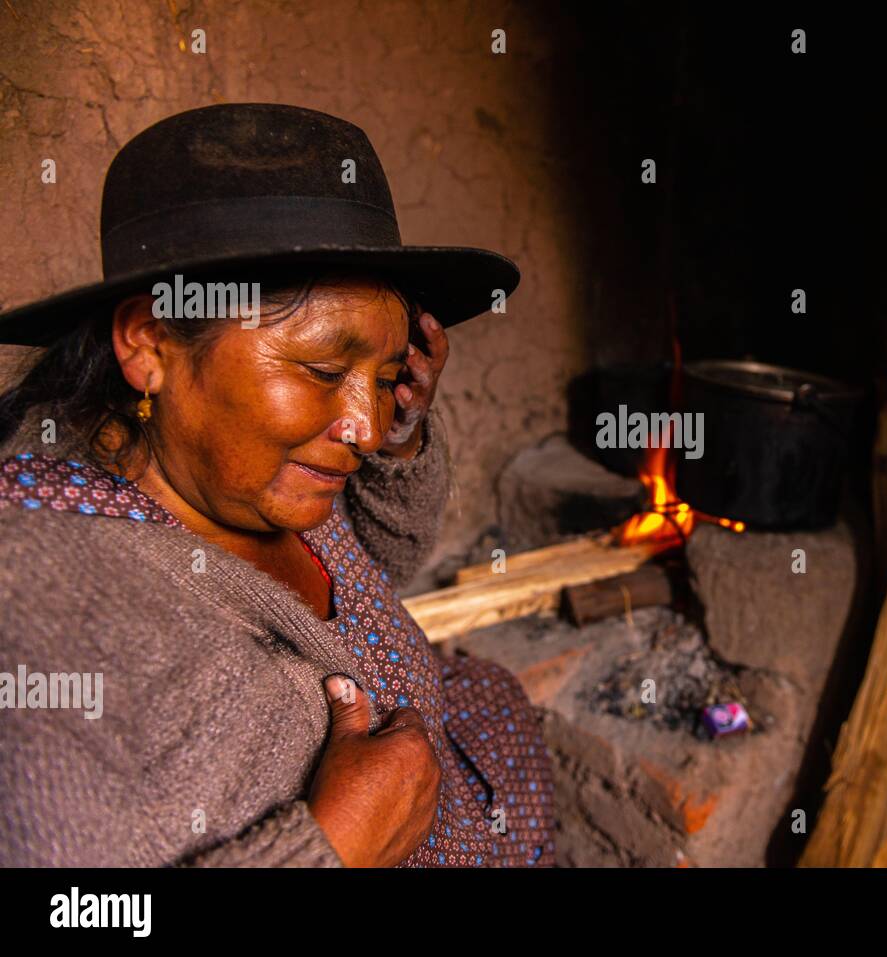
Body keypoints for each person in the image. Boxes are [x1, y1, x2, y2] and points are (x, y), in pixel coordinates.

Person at [0, 103, 556, 867]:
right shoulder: (37, 614)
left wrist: (405, 440)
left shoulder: (243, 472)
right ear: (148, 342)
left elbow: (377, 571)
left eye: (386, 376)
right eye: (324, 371)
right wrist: (334, 848)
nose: (361, 425)